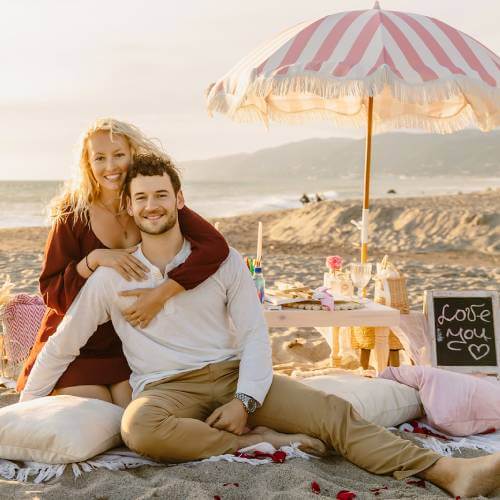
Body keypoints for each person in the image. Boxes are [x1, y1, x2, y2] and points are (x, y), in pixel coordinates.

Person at [20, 155, 500, 499]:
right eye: (141, 197)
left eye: (161, 195)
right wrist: (22, 410)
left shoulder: (223, 261)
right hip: (166, 390)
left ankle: (447, 471)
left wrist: (245, 400)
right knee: (138, 428)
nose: (152, 205)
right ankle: (257, 442)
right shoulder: (110, 278)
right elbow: (62, 346)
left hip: (234, 373)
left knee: (333, 411)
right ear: (128, 205)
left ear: (179, 198)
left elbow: (253, 336)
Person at [16, 119, 229, 408]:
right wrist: (93, 260)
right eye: (99, 158)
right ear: (87, 164)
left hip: (131, 341)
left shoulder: (149, 204)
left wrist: (164, 292)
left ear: (133, 154)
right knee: (96, 409)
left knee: (127, 411)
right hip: (77, 345)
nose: (110, 166)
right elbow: (52, 294)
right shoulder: (72, 213)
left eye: (118, 155)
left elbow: (215, 247)